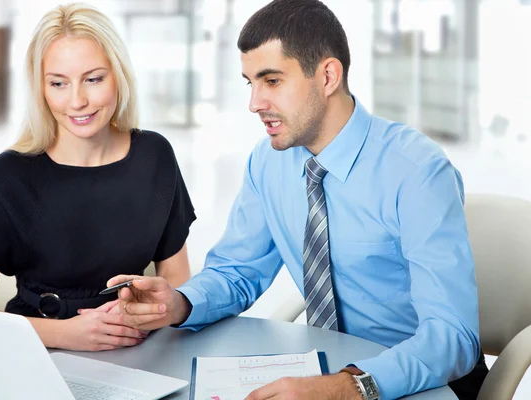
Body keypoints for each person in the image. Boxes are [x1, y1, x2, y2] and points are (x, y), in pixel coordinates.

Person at [108, 0, 487, 399]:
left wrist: (346, 387)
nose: (254, 102)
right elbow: (237, 271)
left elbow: (453, 338)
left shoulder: (417, 172)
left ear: (327, 76)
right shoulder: (268, 162)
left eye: (271, 81)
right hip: (323, 370)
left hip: (422, 381)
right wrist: (179, 303)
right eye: (249, 82)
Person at [0, 3, 196, 352]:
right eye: (58, 83)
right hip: (37, 353)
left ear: (118, 76)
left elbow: (178, 283)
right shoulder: (10, 176)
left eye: (93, 79)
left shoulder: (155, 155)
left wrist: (153, 310)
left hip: (139, 352)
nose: (77, 101)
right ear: (41, 89)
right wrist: (65, 334)